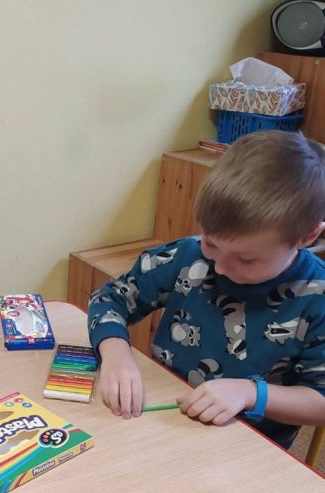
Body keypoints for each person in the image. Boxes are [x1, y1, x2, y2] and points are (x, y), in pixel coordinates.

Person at [88, 130, 325, 448]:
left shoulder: (317, 296)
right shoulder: (187, 255)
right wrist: (116, 353)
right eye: (211, 243)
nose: (221, 267)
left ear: (306, 237)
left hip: (249, 448)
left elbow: (320, 401)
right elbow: (110, 299)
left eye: (246, 259)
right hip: (165, 419)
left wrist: (250, 393)